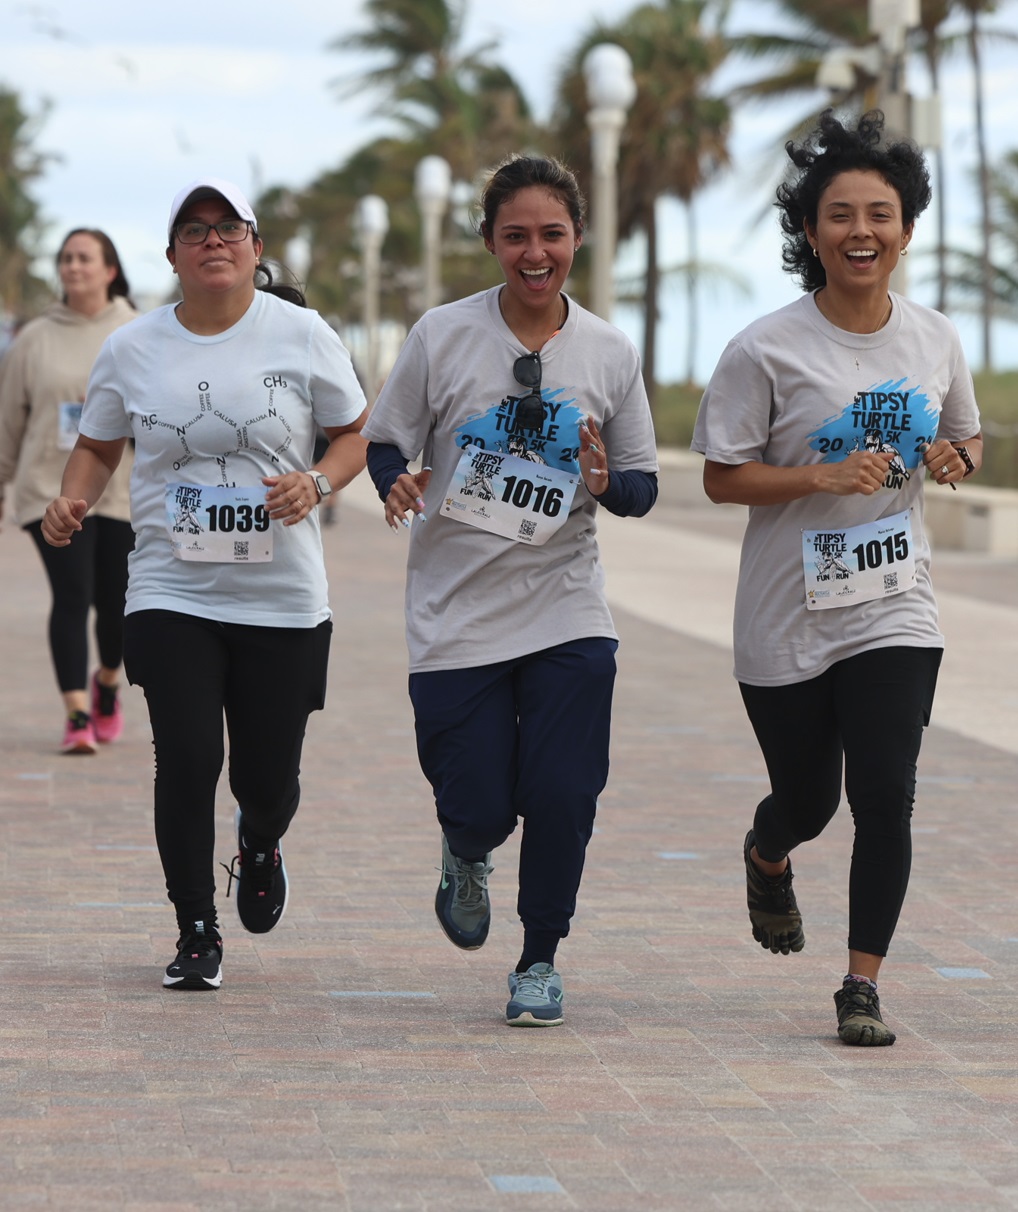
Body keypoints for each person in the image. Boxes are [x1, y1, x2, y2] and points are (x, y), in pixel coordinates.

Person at [691, 111, 982, 1046]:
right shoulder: (763, 348)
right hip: (786, 616)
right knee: (810, 801)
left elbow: (967, 437)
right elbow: (720, 475)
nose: (864, 230)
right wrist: (818, 475)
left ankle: (861, 984)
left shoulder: (936, 339)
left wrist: (953, 462)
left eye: (882, 214)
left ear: (907, 229)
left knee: (886, 793)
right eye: (842, 213)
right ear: (810, 231)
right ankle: (767, 854)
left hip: (895, 604)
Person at [42, 178, 368, 991]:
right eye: (195, 230)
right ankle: (195, 928)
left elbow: (356, 436)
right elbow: (99, 444)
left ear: (256, 248)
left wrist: (318, 485)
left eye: (229, 228)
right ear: (170, 257)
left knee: (267, 778)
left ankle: (259, 841)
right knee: (186, 757)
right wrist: (72, 495)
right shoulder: (133, 347)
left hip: (283, 598)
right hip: (171, 589)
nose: (213, 240)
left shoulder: (301, 333)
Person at [362, 154, 658, 1027]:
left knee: (565, 791)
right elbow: (386, 442)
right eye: (516, 235)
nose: (536, 253)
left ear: (576, 238)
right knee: (482, 801)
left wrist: (604, 482)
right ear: (491, 241)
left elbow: (640, 486)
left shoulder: (607, 350)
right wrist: (397, 481)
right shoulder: (441, 335)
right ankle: (466, 846)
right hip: (456, 611)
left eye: (552, 234)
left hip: (566, 602)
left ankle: (538, 959)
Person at [0, 229, 137, 753]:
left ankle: (106, 683)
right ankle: (77, 714)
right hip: (46, 490)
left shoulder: (136, 331)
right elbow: (10, 418)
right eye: (66, 258)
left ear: (109, 270)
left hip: (123, 492)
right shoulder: (33, 338)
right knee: (72, 595)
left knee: (116, 602)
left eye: (85, 258)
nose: (73, 266)